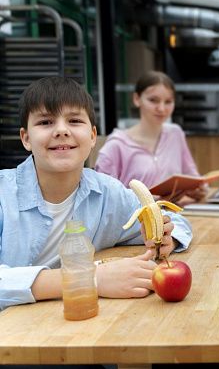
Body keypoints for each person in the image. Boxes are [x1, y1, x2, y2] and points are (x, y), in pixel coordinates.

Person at [0, 77, 193, 312]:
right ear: (26, 138)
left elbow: (176, 222)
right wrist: (91, 278)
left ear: (92, 136)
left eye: (74, 120)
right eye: (46, 122)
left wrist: (166, 237)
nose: (61, 130)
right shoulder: (4, 194)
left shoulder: (106, 193)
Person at [95, 71, 206, 205]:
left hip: (176, 218)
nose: (161, 108)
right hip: (134, 223)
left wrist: (199, 189)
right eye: (153, 100)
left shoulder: (175, 134)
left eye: (168, 102)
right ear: (137, 99)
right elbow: (104, 198)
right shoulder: (115, 146)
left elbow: (192, 176)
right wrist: (154, 200)